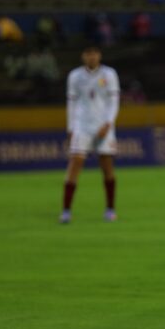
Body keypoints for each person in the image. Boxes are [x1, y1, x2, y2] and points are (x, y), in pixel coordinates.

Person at [60, 46, 120, 224]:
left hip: (103, 125)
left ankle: (110, 209)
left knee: (107, 166)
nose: (91, 57)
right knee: (75, 162)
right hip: (82, 125)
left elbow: (114, 101)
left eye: (94, 53)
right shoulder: (75, 76)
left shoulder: (109, 74)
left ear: (99, 55)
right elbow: (71, 103)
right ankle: (66, 211)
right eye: (88, 54)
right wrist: (70, 127)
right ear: (83, 56)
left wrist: (108, 123)